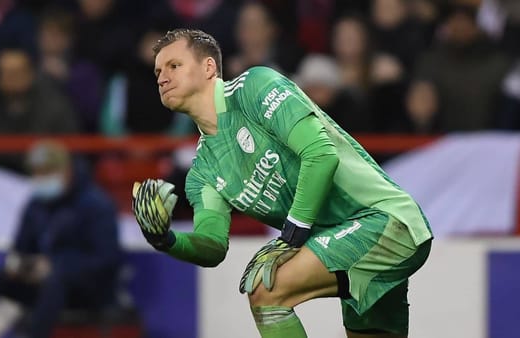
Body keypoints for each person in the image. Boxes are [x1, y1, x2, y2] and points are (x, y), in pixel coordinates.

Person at [131, 28, 433, 338]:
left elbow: (320, 154)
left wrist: (292, 236)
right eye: (157, 71)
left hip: (384, 222)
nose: (161, 78)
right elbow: (212, 246)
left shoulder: (256, 86)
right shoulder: (202, 172)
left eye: (174, 66)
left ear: (209, 68)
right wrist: (165, 240)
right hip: (349, 243)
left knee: (266, 292)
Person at [0, 140, 120, 338]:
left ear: (67, 171)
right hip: (44, 286)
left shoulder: (96, 205)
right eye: (37, 173)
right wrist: (22, 266)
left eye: (47, 172)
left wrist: (55, 266)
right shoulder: (35, 205)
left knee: (56, 281)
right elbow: (21, 248)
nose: (41, 179)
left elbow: (106, 259)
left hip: (87, 290)